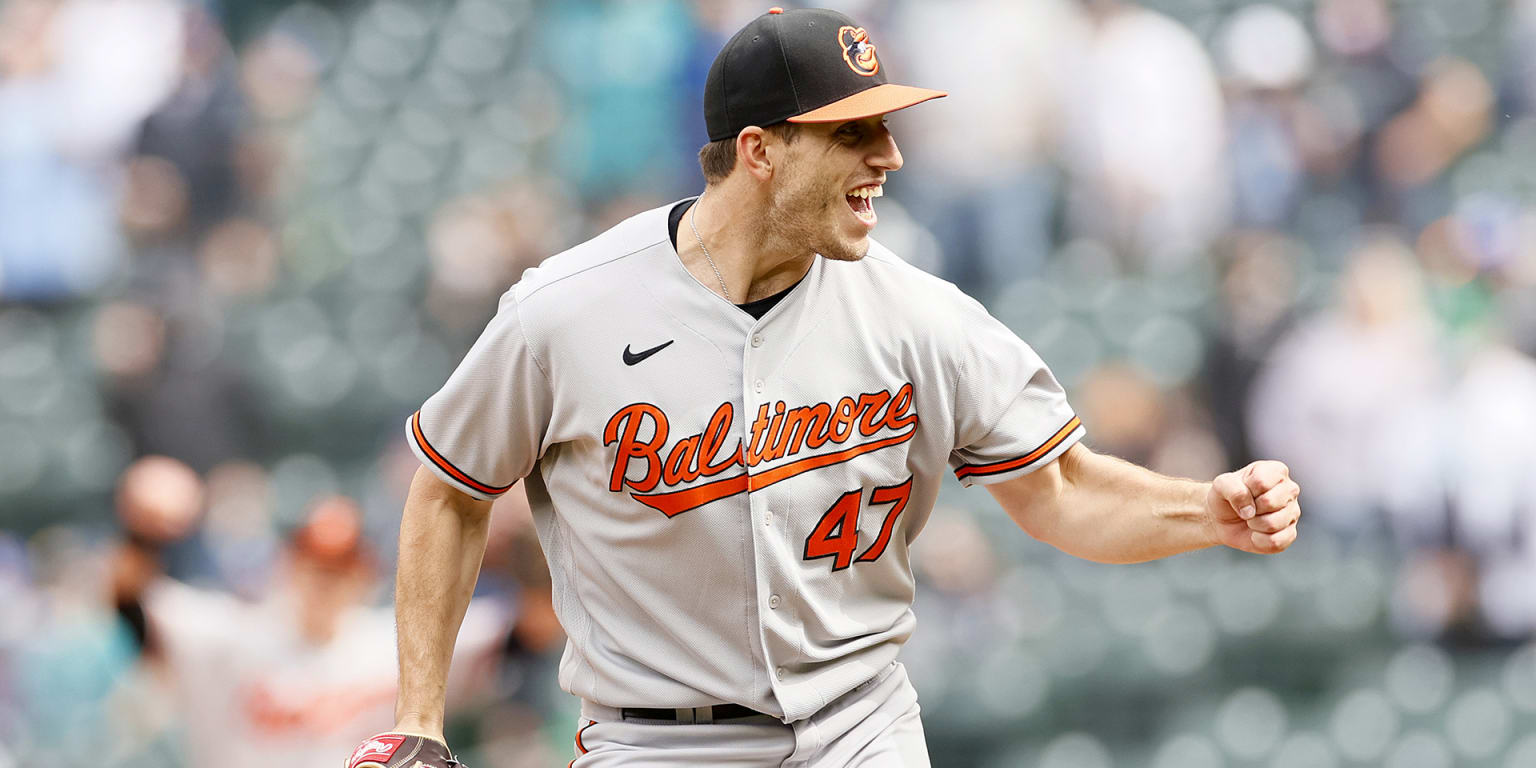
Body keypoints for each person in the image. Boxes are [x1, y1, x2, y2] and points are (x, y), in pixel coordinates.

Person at [348, 8, 1302, 767]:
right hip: (655, 741)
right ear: (760, 151)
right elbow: (449, 485)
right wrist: (420, 715)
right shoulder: (565, 311)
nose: (887, 155)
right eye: (853, 132)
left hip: (861, 726)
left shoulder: (920, 314)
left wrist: (1203, 512)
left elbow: (1060, 491)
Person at [108, 456, 515, 768]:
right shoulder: (229, 634)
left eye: (339, 569)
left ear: (364, 574)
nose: (325, 581)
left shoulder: (401, 644)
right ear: (288, 563)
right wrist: (142, 533)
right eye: (315, 564)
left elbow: (526, 628)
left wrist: (513, 534)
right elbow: (130, 604)